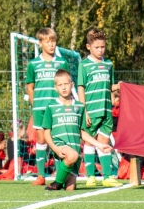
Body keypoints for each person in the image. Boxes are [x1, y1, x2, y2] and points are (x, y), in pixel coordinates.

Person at [43, 70, 105, 191]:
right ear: (55, 88)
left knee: (70, 189)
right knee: (72, 155)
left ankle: (60, 182)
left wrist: (99, 145)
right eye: (60, 85)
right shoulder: (51, 106)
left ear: (72, 85)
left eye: (66, 84)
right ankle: (56, 182)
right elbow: (46, 133)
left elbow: (81, 132)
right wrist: (55, 148)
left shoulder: (79, 107)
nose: (64, 87)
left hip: (75, 151)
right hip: (61, 148)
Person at [77, 28, 123, 187]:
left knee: (104, 141)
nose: (100, 50)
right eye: (97, 47)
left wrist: (118, 86)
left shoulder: (109, 64)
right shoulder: (84, 65)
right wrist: (84, 111)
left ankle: (107, 177)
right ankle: (90, 176)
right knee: (89, 143)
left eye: (103, 47)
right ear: (88, 47)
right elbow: (81, 88)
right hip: (91, 110)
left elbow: (110, 86)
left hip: (106, 111)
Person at [25, 28, 70, 185]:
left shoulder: (61, 62)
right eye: (47, 41)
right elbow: (29, 85)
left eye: (53, 41)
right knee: (41, 139)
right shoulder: (34, 64)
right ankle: (40, 175)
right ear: (40, 43)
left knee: (58, 139)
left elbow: (67, 84)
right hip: (40, 108)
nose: (51, 44)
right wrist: (34, 103)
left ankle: (61, 176)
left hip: (57, 108)